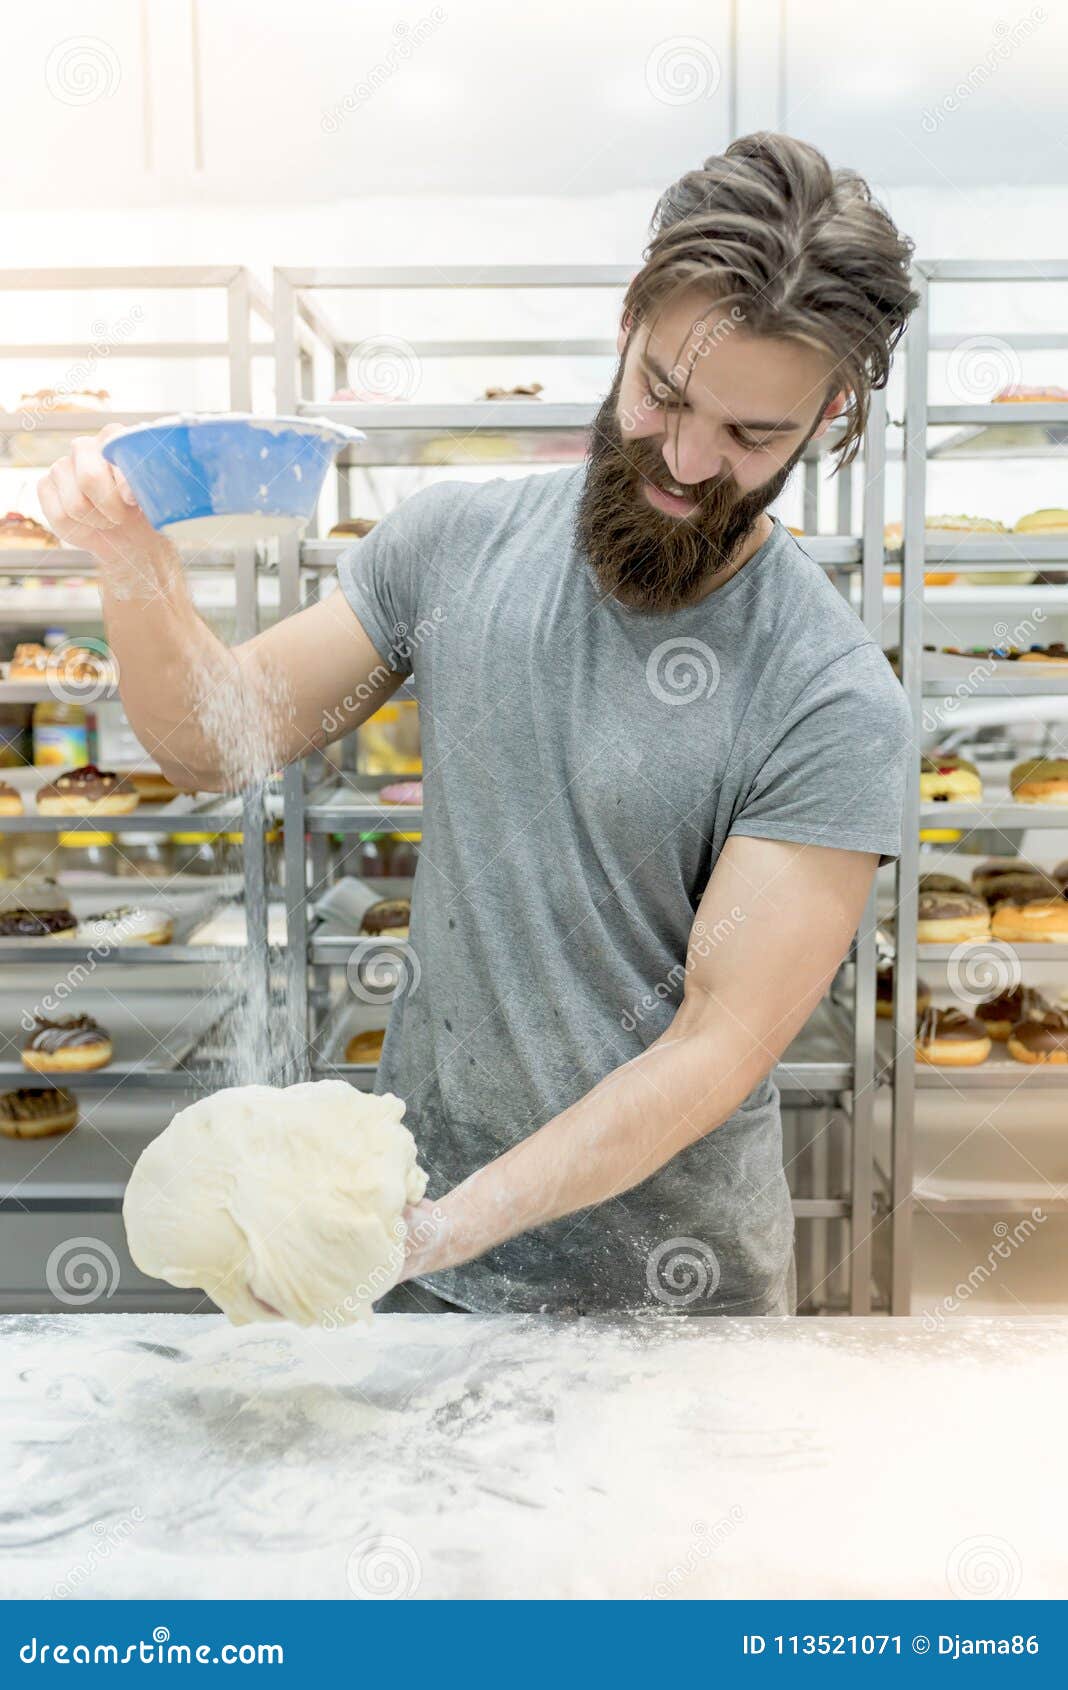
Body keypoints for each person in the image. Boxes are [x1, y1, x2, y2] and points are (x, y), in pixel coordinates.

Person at [40, 132, 917, 1319]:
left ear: (830, 414)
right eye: (664, 393)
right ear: (627, 326)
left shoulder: (829, 694)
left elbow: (715, 1040)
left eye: (753, 437)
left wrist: (439, 1231)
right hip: (423, 1281)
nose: (689, 459)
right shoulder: (453, 549)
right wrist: (131, 565)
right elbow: (213, 742)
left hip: (672, 1311)